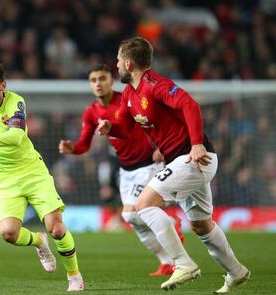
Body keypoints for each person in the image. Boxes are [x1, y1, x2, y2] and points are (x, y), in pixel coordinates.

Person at [97, 37, 250, 293]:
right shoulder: (129, 96)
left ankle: (182, 263)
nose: (115, 65)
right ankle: (236, 271)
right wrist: (110, 127)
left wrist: (196, 143)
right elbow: (125, 128)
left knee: (143, 204)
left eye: (117, 60)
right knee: (202, 225)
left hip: (194, 157)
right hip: (183, 161)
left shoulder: (155, 85)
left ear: (128, 63)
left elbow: (189, 105)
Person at [0, 59, 84, 292]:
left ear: (2, 85)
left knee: (56, 228)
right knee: (8, 233)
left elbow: (16, 138)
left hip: (32, 173)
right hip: (3, 181)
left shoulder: (16, 102)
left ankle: (74, 275)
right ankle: (38, 242)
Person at [59, 64, 184, 277]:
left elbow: (153, 121)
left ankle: (172, 224)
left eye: (102, 78)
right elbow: (84, 144)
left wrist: (160, 147)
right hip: (126, 169)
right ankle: (166, 261)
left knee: (131, 213)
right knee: (132, 218)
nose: (98, 84)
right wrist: (73, 149)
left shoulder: (127, 100)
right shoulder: (91, 111)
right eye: (93, 80)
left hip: (148, 163)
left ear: (111, 80)